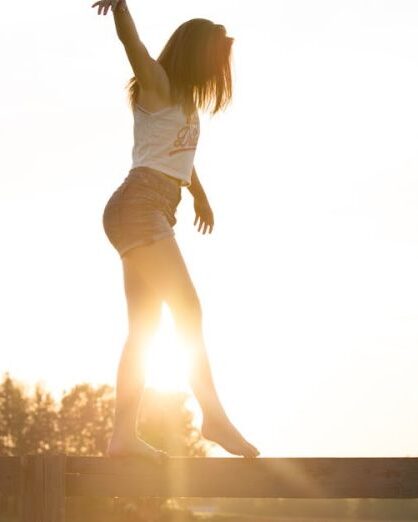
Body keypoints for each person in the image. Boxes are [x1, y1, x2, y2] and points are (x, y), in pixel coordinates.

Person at [91, 0, 259, 459]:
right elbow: (133, 45)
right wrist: (121, 6)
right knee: (188, 308)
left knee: (143, 329)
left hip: (150, 209)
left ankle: (122, 438)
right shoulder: (158, 84)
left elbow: (178, 156)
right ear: (192, 54)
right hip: (138, 205)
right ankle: (214, 417)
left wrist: (199, 193)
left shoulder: (183, 101)